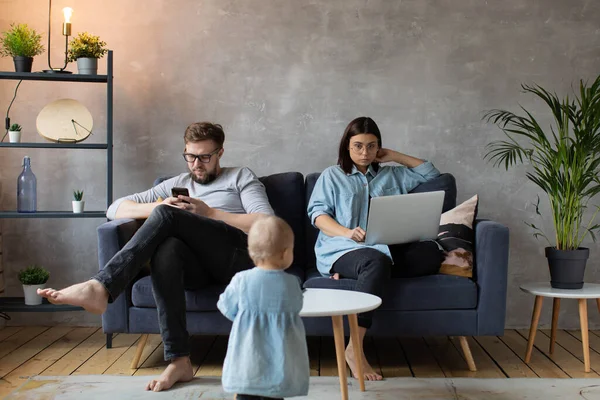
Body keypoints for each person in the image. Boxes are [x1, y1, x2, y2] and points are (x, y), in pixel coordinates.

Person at [38, 122, 275, 392]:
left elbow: (268, 223)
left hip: (235, 257)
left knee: (168, 217)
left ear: (220, 153)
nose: (197, 164)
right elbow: (115, 208)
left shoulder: (240, 177)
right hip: (197, 267)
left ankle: (101, 286)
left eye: (205, 157)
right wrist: (160, 206)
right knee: (168, 248)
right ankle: (179, 360)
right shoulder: (178, 183)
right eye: (190, 156)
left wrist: (209, 213)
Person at [307, 116, 444, 381]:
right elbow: (318, 216)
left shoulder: (393, 175)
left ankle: (363, 277)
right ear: (346, 145)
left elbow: (432, 173)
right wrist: (348, 232)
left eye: (372, 146)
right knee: (375, 262)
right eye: (358, 145)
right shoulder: (332, 176)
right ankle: (354, 349)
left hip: (384, 247)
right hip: (342, 249)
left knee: (430, 253)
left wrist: (393, 155)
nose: (365, 152)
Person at [217, 215, 309, 400]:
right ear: (285, 253)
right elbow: (296, 306)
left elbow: (226, 307)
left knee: (245, 393)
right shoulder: (292, 283)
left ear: (251, 252)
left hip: (247, 357)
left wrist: (245, 319)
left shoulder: (241, 280)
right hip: (279, 363)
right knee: (275, 393)